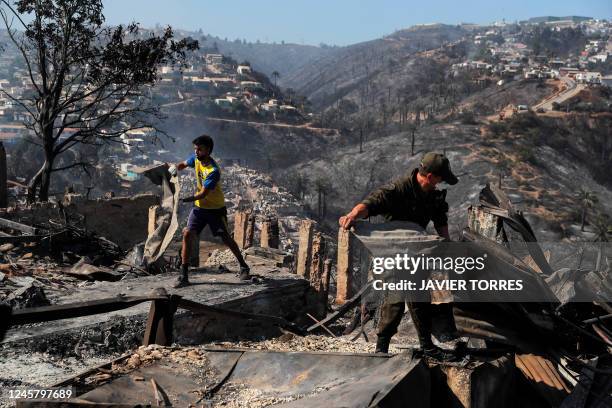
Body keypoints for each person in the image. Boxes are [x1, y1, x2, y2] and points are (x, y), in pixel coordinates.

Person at [339, 152, 460, 360]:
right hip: (390, 253)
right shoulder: (398, 189)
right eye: (440, 178)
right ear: (430, 176)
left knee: (420, 298)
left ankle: (427, 346)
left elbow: (441, 223)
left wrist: (446, 246)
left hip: (415, 253)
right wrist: (352, 216)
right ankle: (381, 348)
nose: (440, 183)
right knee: (394, 300)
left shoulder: (433, 196)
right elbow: (370, 204)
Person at [173, 134, 250, 288]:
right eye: (195, 149)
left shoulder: (213, 171)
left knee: (225, 238)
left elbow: (203, 194)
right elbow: (183, 164)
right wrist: (174, 169)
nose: (196, 152)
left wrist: (183, 200)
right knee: (187, 233)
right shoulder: (196, 159)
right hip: (200, 208)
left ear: (208, 150)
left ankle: (243, 266)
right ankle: (184, 274)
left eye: (199, 149)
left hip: (215, 209)